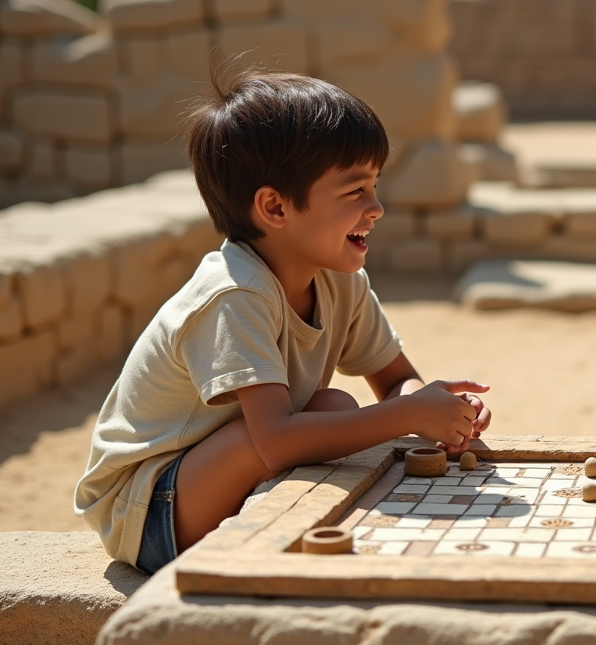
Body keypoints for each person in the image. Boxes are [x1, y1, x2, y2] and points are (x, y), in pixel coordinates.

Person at [75, 69, 491, 574]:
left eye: (375, 186)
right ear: (274, 207)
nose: (377, 207)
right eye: (355, 191)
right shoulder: (235, 294)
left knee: (333, 404)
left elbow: (395, 379)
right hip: (148, 512)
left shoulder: (338, 280)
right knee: (293, 429)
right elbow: (272, 440)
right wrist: (407, 417)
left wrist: (437, 410)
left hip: (213, 477)